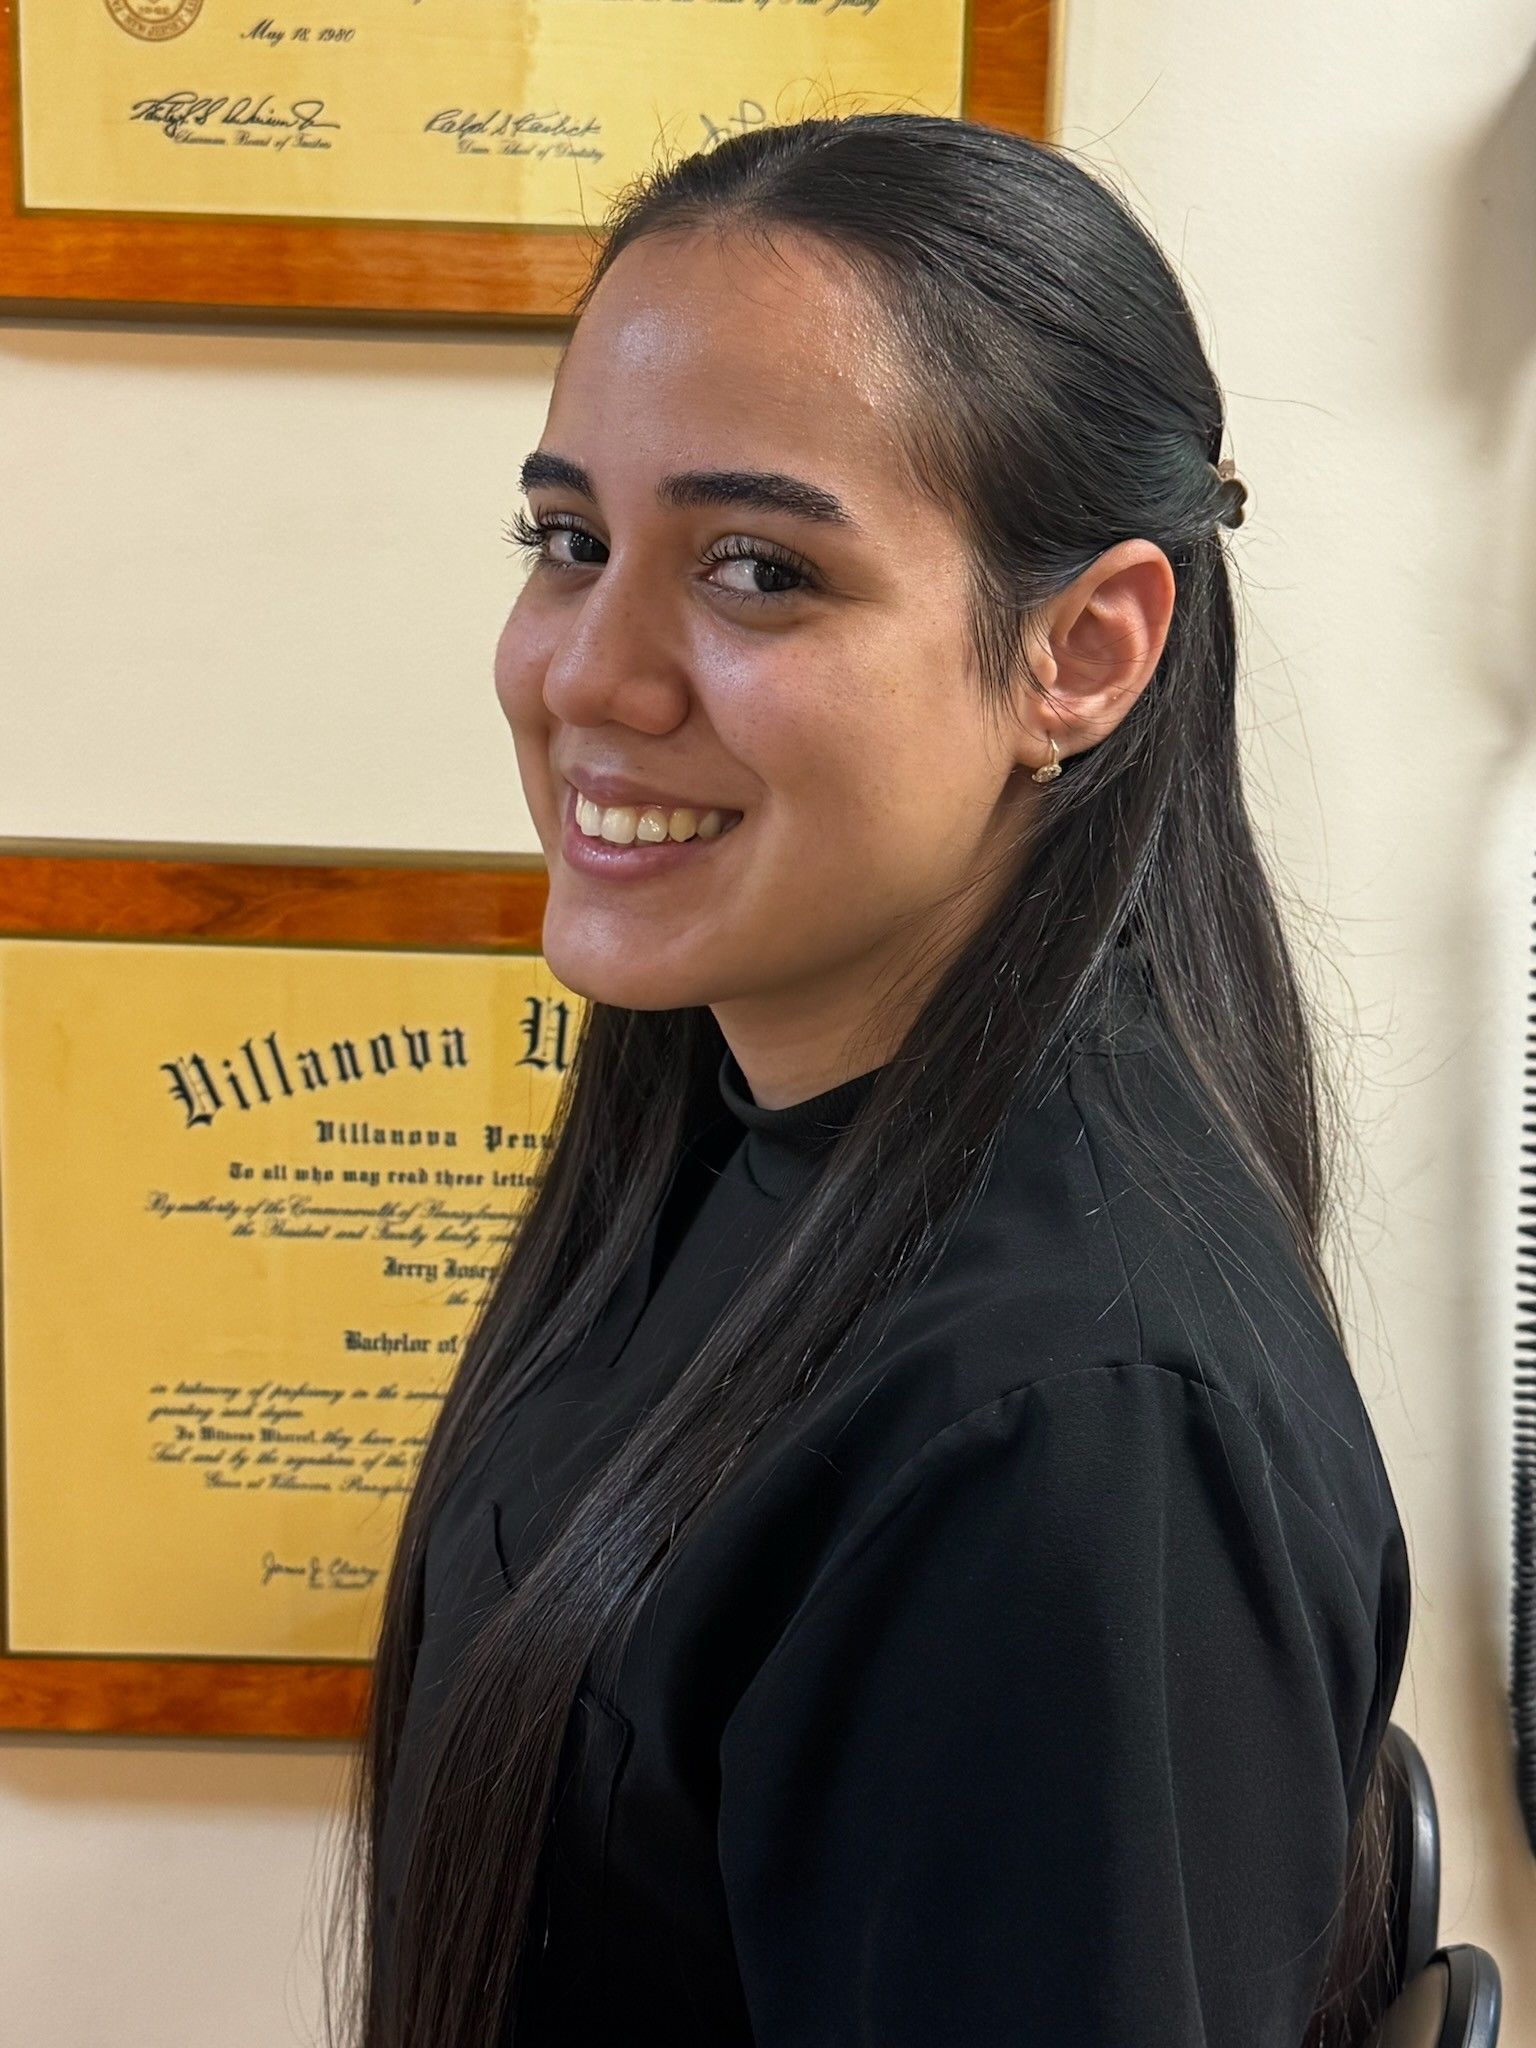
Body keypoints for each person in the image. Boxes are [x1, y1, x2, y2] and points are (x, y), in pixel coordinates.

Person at [324, 112, 1412, 2048]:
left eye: (756, 570)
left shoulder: (1066, 1431)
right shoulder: (734, 1138)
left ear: (1080, 651)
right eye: (570, 541)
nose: (595, 672)